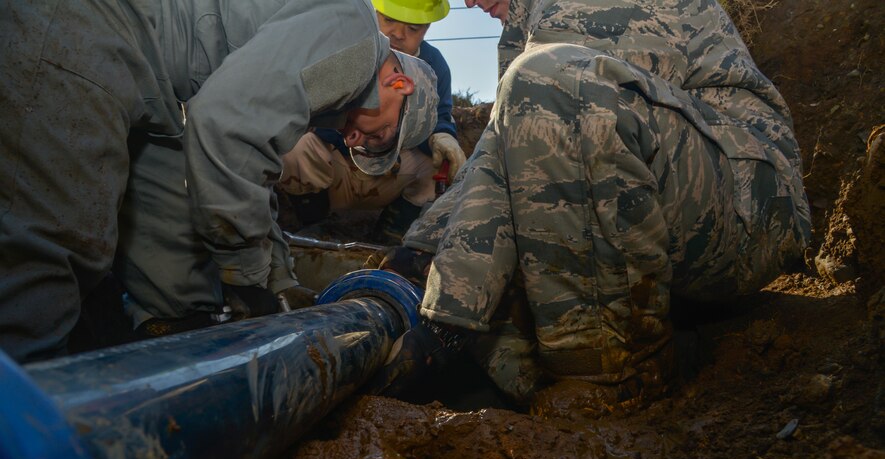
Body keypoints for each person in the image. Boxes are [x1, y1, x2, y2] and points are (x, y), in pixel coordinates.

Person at [365, 0, 811, 419]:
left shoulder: (571, 18)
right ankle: (533, 380)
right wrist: (419, 257)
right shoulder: (525, 24)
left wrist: (441, 318)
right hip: (676, 199)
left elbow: (562, 109)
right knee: (497, 293)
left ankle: (616, 374)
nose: (468, 2)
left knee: (552, 80)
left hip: (750, 207)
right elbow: (503, 162)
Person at [0, 0, 438, 365]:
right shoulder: (355, 38)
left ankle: (165, 354)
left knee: (180, 296)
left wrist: (280, 283)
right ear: (397, 83)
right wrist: (248, 276)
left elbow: (251, 167)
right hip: (83, 26)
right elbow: (228, 129)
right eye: (377, 136)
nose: (353, 139)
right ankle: (27, 422)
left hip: (158, 89)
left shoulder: (332, 58)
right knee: (56, 246)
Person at [275, 0, 467, 244]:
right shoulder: (341, 48)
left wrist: (442, 134)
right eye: (389, 20)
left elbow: (440, 114)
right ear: (374, 12)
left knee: (436, 165)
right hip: (336, 168)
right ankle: (315, 226)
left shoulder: (433, 64)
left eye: (412, 28)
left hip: (390, 174)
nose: (398, 34)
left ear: (428, 27)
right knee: (295, 149)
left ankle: (389, 239)